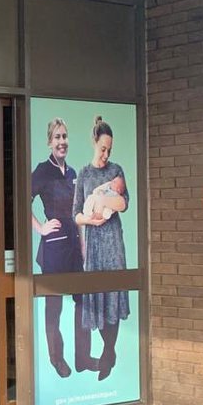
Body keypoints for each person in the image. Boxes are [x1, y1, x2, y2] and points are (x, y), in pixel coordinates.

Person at [30, 118, 91, 378]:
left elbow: (77, 212)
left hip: (74, 247)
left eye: (64, 136)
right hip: (54, 248)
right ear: (49, 141)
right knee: (54, 307)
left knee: (82, 303)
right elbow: (21, 202)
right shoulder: (42, 171)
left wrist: (83, 241)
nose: (62, 141)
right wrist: (40, 227)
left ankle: (83, 358)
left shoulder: (74, 174)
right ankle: (57, 359)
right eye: (57, 137)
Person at [74, 115, 130, 381]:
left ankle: (108, 353)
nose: (106, 154)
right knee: (99, 297)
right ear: (94, 143)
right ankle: (108, 352)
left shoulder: (116, 170)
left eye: (110, 149)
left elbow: (123, 204)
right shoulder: (84, 173)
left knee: (114, 296)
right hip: (95, 243)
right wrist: (90, 220)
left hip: (113, 243)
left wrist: (106, 193)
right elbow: (76, 213)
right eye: (103, 148)